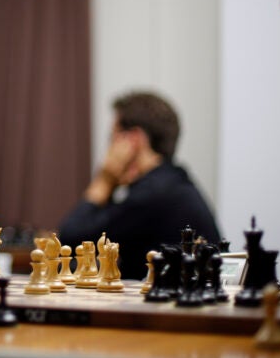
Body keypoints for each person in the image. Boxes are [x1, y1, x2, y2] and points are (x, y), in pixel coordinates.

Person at [57, 91, 220, 280]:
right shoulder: (169, 182)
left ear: (132, 140)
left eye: (113, 138)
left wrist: (104, 180)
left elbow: (71, 240)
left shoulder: (154, 194)